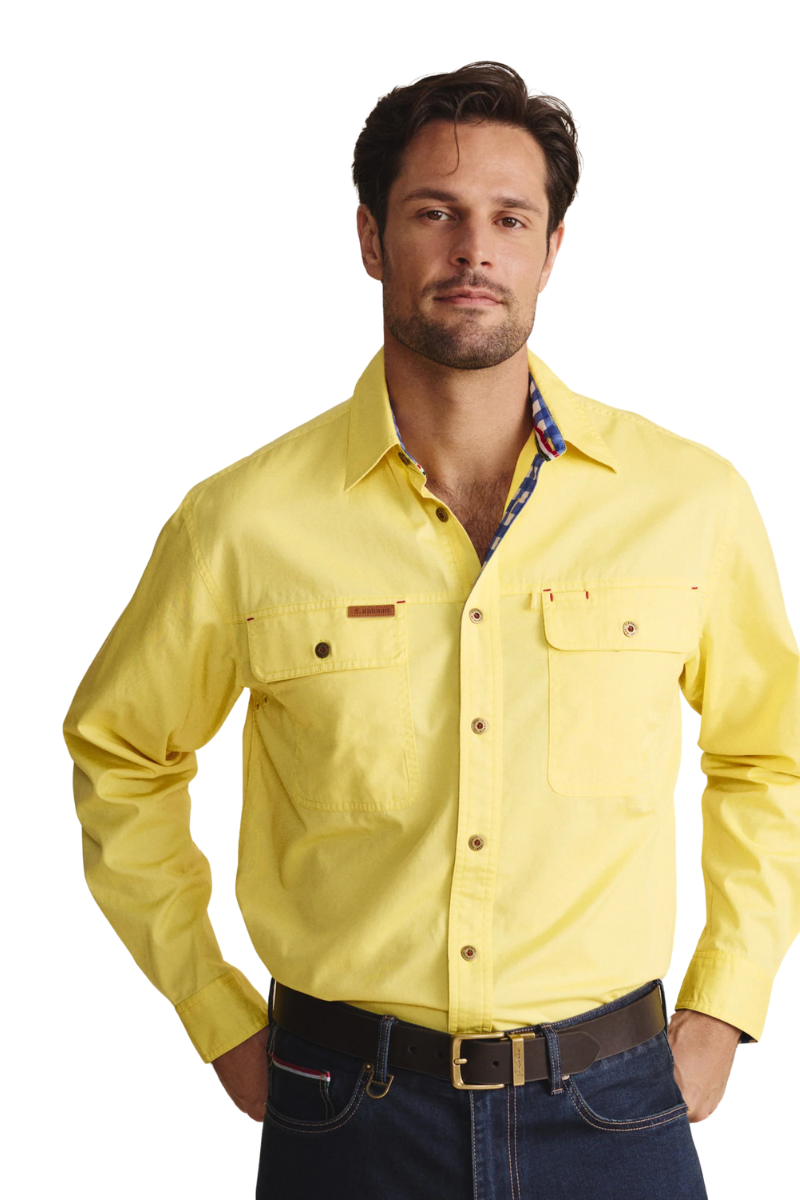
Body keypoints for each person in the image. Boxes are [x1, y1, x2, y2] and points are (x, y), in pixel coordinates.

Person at [63, 61, 800, 1199]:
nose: (473, 251)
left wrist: (724, 1003)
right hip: (345, 1113)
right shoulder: (243, 522)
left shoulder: (688, 503)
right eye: (433, 214)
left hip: (613, 1109)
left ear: (551, 250)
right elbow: (121, 755)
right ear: (371, 239)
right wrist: (215, 1010)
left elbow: (770, 755)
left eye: (510, 218)